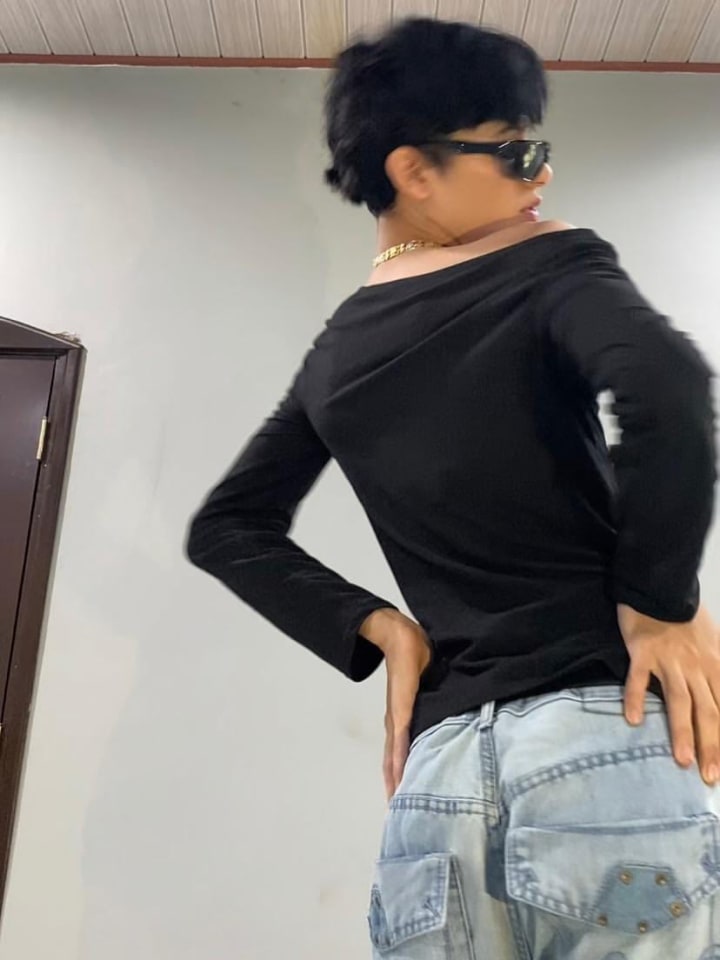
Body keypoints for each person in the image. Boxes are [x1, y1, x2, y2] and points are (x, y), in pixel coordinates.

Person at [186, 17, 720, 959]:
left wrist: (381, 629)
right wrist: (657, 605)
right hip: (603, 738)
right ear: (415, 171)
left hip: (436, 787)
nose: (540, 174)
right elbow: (669, 387)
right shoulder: (552, 261)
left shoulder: (337, 352)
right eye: (514, 151)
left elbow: (227, 529)